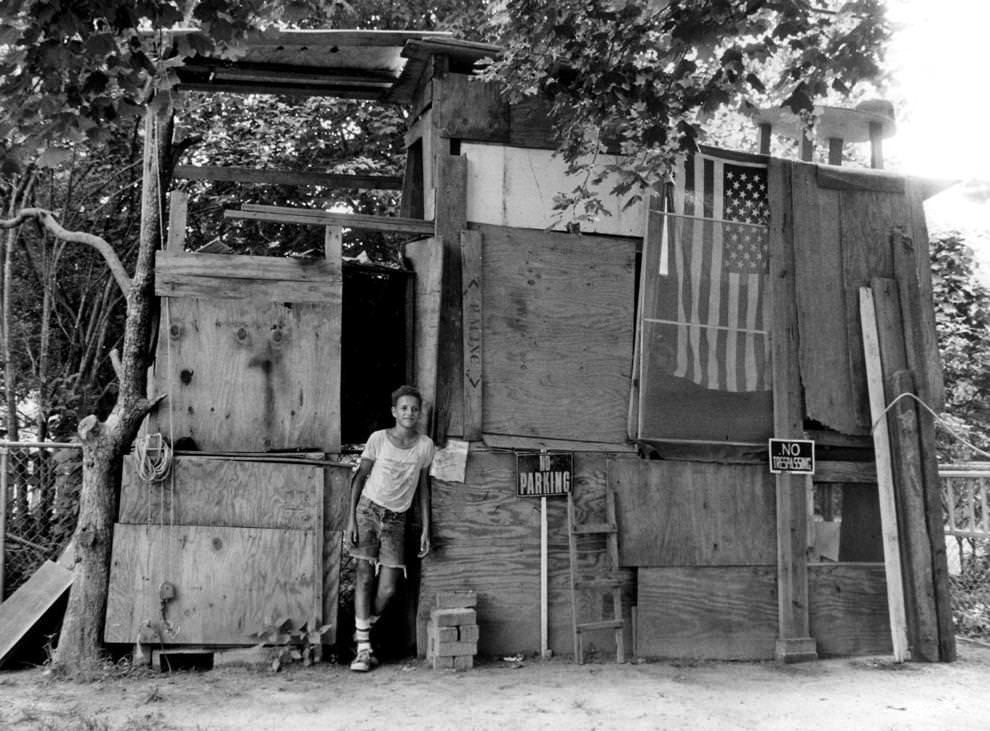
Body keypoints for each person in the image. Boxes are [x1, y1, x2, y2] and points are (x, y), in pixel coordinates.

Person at [347, 385, 434, 672]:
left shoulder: (425, 446)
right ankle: (363, 650)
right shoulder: (378, 439)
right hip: (368, 511)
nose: (410, 413)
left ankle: (364, 626)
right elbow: (359, 478)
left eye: (414, 408)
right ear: (394, 411)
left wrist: (425, 528)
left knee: (388, 586)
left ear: (420, 412)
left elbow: (423, 487)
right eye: (404, 408)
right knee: (363, 576)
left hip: (397, 519)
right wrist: (350, 520)